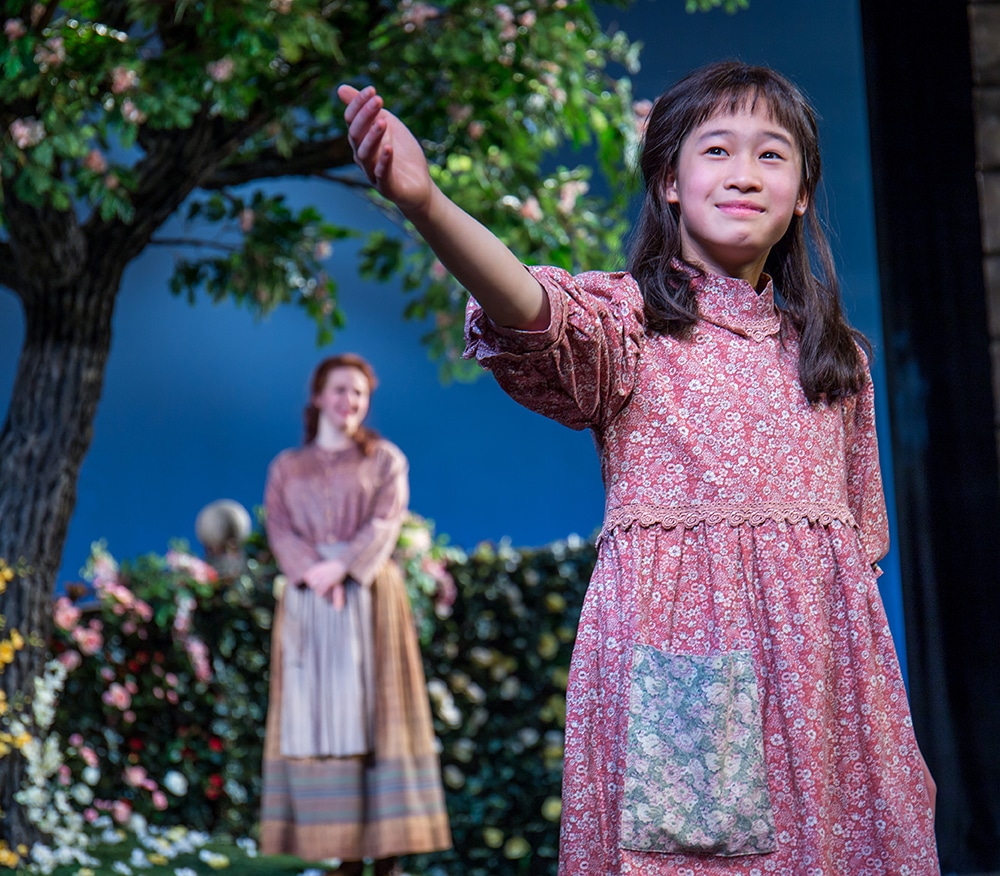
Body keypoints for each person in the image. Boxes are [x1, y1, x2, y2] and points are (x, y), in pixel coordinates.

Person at [339, 60, 940, 875]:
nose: (744, 173)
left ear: (802, 192)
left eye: (772, 155)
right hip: (690, 681)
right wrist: (427, 202)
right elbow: (531, 311)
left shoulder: (837, 362)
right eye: (717, 149)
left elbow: (855, 569)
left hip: (827, 699)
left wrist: (885, 740)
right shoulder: (631, 328)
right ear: (669, 180)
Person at [259, 354, 451, 876]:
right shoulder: (286, 468)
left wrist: (340, 568)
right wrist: (312, 572)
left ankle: (387, 855)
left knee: (379, 718)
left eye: (360, 394)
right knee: (319, 722)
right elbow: (279, 529)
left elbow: (385, 521)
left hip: (368, 600)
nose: (350, 402)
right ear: (318, 395)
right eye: (341, 390)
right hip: (308, 604)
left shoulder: (385, 459)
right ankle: (341, 852)